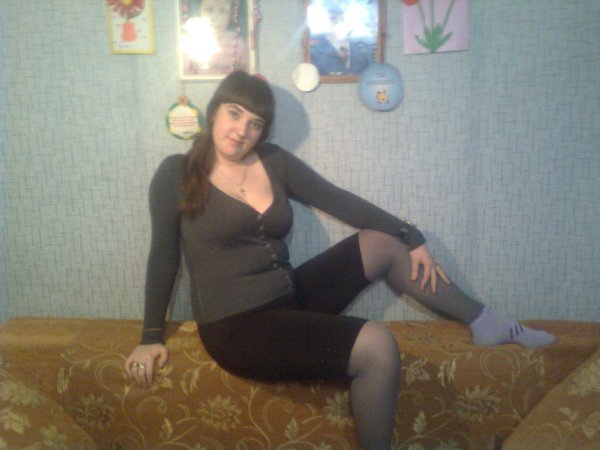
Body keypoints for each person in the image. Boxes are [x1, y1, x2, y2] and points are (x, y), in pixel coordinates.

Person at [125, 71, 555, 449]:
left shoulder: (273, 161)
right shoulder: (176, 173)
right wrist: (150, 336)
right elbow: (163, 255)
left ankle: (485, 321)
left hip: (290, 297)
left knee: (382, 242)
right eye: (234, 114)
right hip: (237, 326)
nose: (242, 131)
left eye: (255, 124)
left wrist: (410, 234)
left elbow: (337, 200)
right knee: (377, 346)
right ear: (214, 110)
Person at [182, 0, 249, 76]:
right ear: (200, 11)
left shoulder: (238, 44)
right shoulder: (191, 42)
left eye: (222, 11)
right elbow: (185, 74)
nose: (215, 17)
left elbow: (246, 76)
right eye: (209, 10)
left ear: (231, 14)